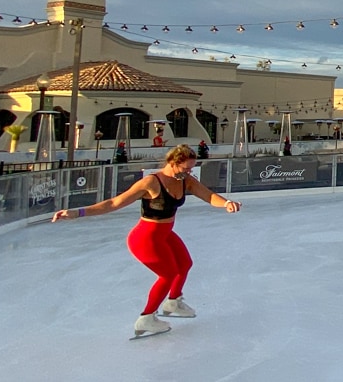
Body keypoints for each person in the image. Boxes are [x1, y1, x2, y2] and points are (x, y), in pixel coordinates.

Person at [51, 144, 241, 338]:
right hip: (145, 238)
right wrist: (78, 212)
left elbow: (208, 195)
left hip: (166, 234)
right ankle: (146, 318)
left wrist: (226, 203)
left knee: (184, 264)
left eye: (191, 168)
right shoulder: (151, 182)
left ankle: (173, 302)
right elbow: (114, 203)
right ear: (173, 163)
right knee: (168, 275)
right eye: (186, 168)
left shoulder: (186, 180)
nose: (189, 171)